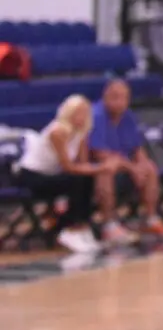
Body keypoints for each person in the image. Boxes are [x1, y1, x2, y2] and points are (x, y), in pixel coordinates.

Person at [16, 94, 119, 252]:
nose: (82, 117)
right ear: (68, 113)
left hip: (53, 174)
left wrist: (98, 169)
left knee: (87, 179)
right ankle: (71, 229)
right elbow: (68, 167)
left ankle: (81, 226)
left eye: (85, 113)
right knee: (77, 180)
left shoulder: (81, 133)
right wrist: (102, 167)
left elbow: (83, 164)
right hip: (33, 176)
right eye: (78, 112)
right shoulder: (57, 131)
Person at [89, 78, 163, 242]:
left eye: (124, 98)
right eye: (115, 97)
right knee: (107, 168)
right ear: (105, 96)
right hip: (94, 170)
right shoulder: (95, 115)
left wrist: (142, 165)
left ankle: (150, 218)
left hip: (124, 167)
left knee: (150, 167)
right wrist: (133, 168)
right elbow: (100, 154)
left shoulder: (128, 117)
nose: (119, 102)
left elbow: (137, 148)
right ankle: (109, 225)